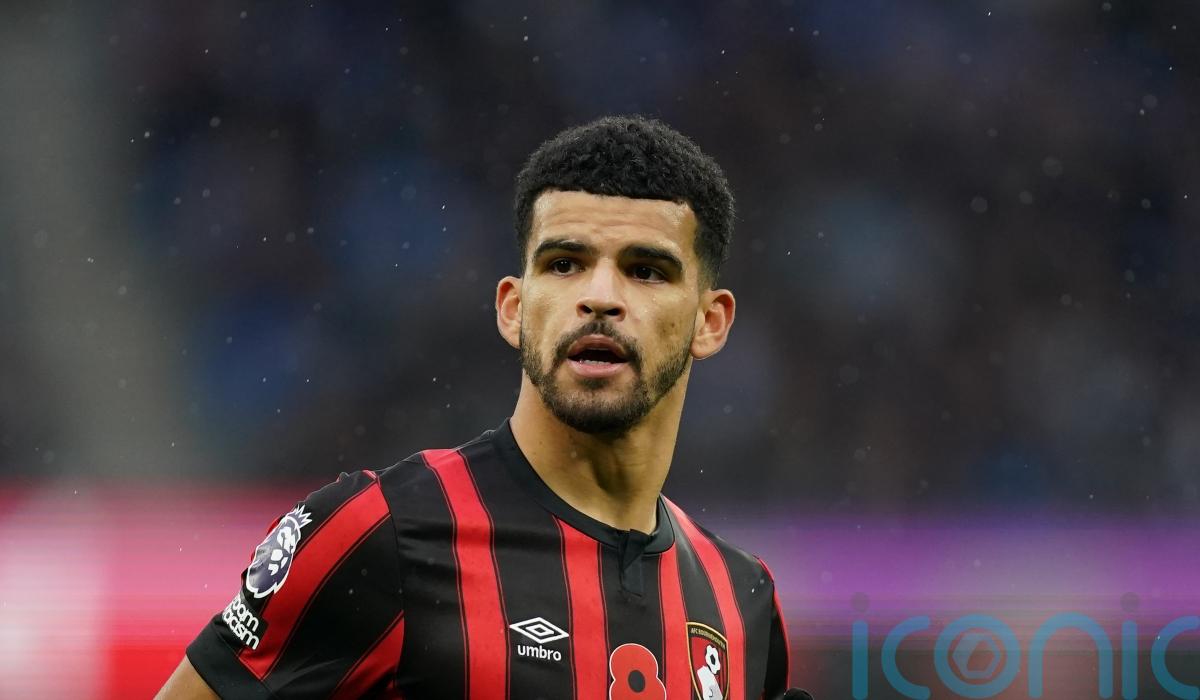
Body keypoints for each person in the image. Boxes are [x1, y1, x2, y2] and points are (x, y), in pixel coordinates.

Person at [157, 115, 799, 699]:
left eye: (647, 271)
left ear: (710, 322)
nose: (601, 296)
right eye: (565, 263)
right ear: (513, 309)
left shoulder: (740, 599)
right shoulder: (383, 534)